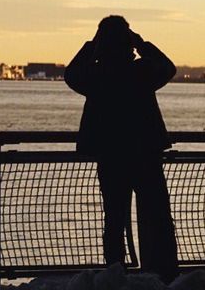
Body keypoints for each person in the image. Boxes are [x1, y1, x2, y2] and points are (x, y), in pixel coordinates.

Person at [65, 15, 179, 282]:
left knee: (114, 216)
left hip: (110, 154)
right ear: (129, 42)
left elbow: (71, 74)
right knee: (158, 214)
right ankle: (165, 271)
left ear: (101, 42)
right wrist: (143, 44)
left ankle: (115, 272)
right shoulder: (142, 71)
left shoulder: (96, 74)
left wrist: (90, 46)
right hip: (145, 154)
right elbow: (168, 67)